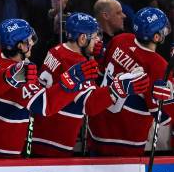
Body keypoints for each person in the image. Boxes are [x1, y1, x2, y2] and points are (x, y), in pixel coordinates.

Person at [0, 18, 98, 158]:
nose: (32, 42)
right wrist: (71, 80)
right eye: (29, 39)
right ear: (21, 45)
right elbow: (45, 105)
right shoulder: (20, 76)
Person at [31, 12, 150, 157]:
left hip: (41, 133)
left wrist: (94, 57)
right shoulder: (76, 63)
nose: (98, 40)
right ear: (82, 39)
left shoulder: (56, 51)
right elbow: (89, 104)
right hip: (57, 139)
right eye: (94, 36)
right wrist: (117, 88)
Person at [88, 7, 173, 156]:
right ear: (156, 37)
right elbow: (162, 117)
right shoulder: (158, 65)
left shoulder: (120, 39)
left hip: (96, 129)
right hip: (125, 141)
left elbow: (100, 74)